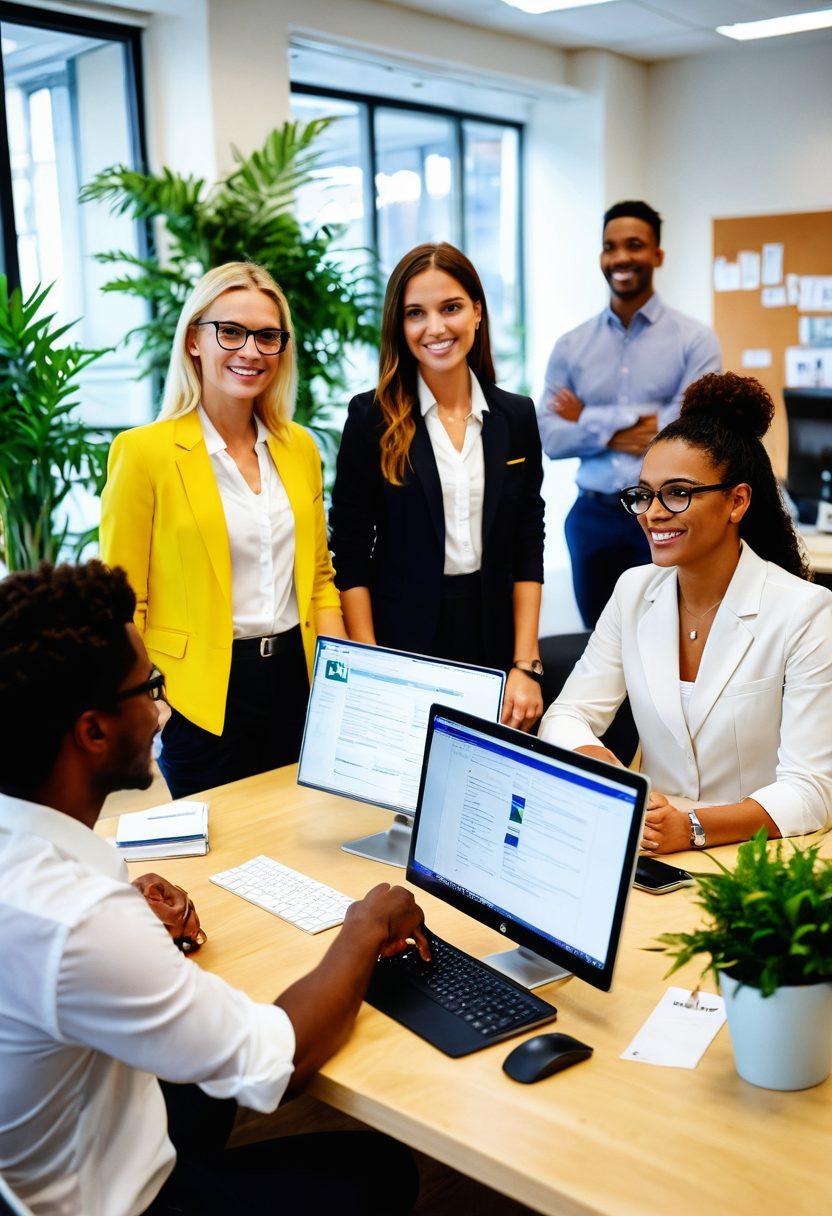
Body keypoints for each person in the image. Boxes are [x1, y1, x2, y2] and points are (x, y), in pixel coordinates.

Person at [0, 560, 426, 1216]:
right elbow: (278, 1064)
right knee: (384, 1170)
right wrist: (365, 924)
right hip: (107, 1200)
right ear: (92, 730)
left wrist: (132, 923)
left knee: (202, 1088)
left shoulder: (35, 861)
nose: (163, 710)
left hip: (47, 1152)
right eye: (151, 689)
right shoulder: (78, 920)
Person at [539, 373, 832, 853]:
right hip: (654, 846)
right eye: (643, 494)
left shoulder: (805, 611)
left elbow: (811, 791)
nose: (652, 513)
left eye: (677, 493)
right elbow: (567, 715)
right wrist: (608, 770)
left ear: (736, 500)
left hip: (756, 854)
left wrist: (693, 826)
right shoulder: (635, 590)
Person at [100, 262, 345, 800]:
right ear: (194, 340)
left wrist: (341, 686)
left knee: (299, 842)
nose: (251, 350)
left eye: (268, 336)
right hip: (199, 697)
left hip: (297, 685)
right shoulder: (145, 453)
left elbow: (320, 578)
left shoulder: (299, 447)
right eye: (230, 332)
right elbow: (120, 603)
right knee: (218, 860)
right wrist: (154, 701)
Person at [330, 242, 546, 731]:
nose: (435, 328)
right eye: (415, 313)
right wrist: (371, 667)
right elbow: (349, 552)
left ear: (477, 312)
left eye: (450, 308)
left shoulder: (515, 416)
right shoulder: (370, 418)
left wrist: (524, 662)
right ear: (399, 326)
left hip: (493, 633)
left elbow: (527, 543)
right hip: (403, 637)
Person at [537, 200, 721, 628]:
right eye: (610, 247)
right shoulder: (570, 346)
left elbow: (692, 433)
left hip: (668, 515)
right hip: (592, 519)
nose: (621, 257)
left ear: (657, 254)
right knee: (597, 645)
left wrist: (586, 417)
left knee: (671, 641)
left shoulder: (694, 340)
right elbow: (551, 438)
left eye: (634, 245)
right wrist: (632, 426)